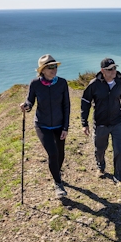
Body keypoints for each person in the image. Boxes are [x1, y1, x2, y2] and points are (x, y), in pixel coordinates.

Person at [20, 54, 70, 198]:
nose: (53, 69)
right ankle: (58, 184)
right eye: (50, 67)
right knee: (53, 153)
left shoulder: (62, 83)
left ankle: (56, 172)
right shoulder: (35, 84)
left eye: (55, 66)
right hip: (42, 125)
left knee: (60, 154)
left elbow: (66, 106)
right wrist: (26, 106)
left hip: (60, 124)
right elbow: (30, 101)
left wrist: (66, 127)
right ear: (42, 70)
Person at [81, 57, 121, 184]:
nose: (113, 71)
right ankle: (101, 166)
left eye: (115, 68)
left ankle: (119, 176)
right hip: (101, 123)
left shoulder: (120, 83)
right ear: (103, 70)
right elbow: (85, 102)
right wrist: (84, 123)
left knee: (119, 151)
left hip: (117, 123)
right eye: (110, 69)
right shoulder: (94, 84)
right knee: (100, 149)